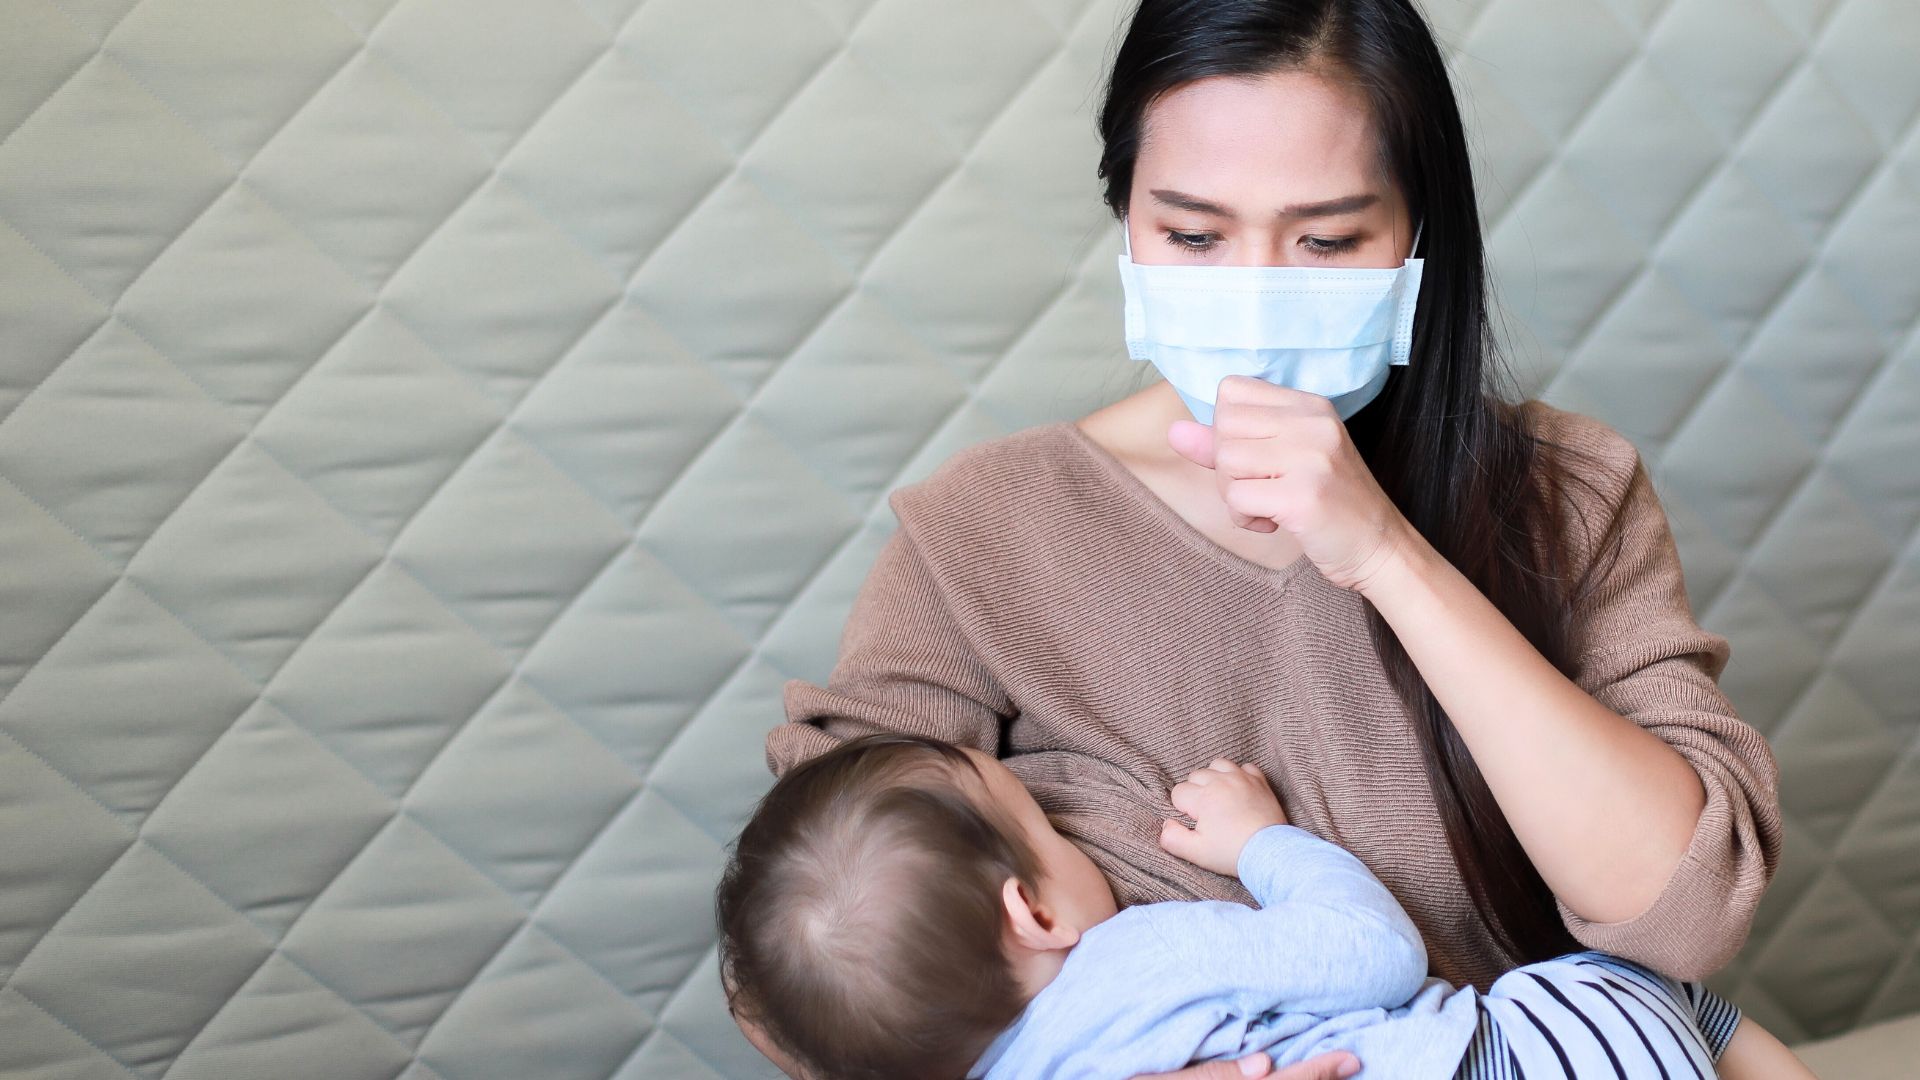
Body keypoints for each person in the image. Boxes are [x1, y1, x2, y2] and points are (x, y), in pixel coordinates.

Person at [737, 2, 1783, 1077]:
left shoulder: (1568, 494)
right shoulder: (982, 535)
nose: (1252, 289)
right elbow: (800, 971)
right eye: (1192, 234)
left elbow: (1681, 919)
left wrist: (1385, 554)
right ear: (1126, 218)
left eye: (1326, 239)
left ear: (1420, 239)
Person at [715, 731, 1816, 1079]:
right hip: (1501, 1066)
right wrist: (1265, 845)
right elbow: (1372, 954)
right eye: (1044, 821)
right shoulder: (1140, 957)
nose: (1065, 822)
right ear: (1034, 915)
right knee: (1624, 983)